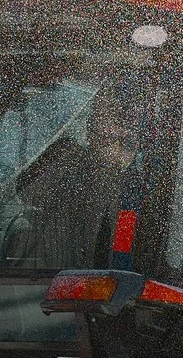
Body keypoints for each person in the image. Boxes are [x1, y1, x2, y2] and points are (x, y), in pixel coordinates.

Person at [16, 82, 146, 270]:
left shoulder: (134, 194)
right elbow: (28, 193)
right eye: (113, 120)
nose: (119, 134)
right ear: (91, 127)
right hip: (46, 276)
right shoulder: (67, 158)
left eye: (129, 124)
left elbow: (122, 258)